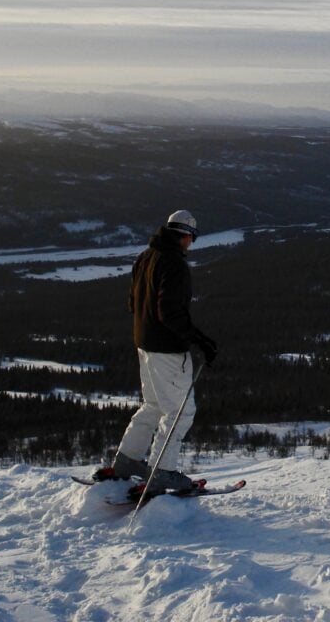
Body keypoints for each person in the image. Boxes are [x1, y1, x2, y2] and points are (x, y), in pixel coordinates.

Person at [96, 209, 218, 491]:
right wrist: (200, 340)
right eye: (191, 238)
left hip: (144, 345)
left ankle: (128, 460)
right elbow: (170, 312)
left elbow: (132, 302)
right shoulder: (174, 264)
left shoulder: (145, 256)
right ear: (184, 235)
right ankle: (162, 472)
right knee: (180, 412)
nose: (191, 244)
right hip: (167, 350)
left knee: (153, 405)